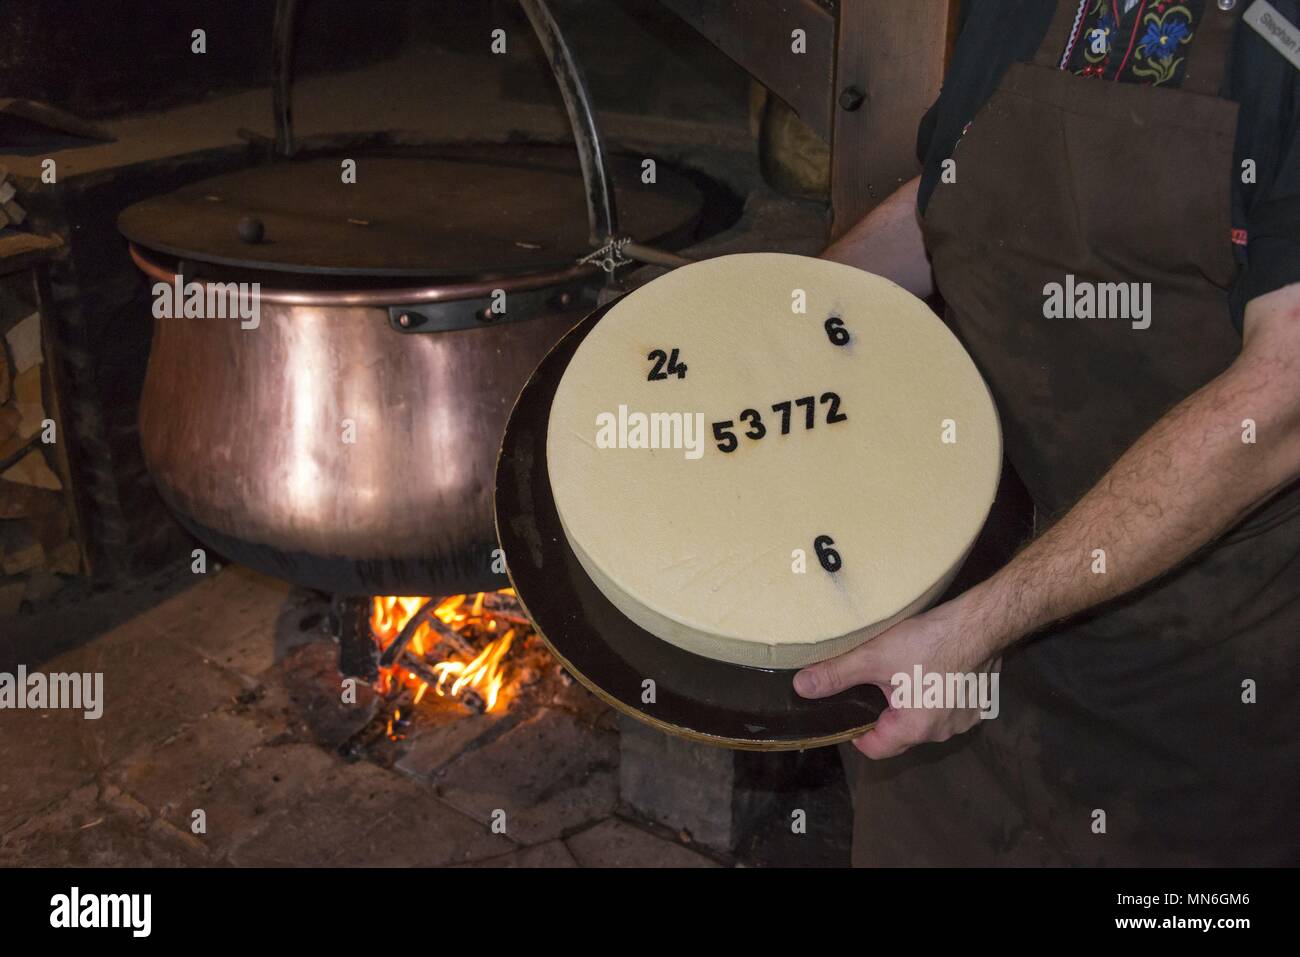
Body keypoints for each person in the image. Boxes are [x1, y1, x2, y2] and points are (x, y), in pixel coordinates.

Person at [797, 0, 1300, 865]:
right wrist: (781, 318)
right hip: (965, 618)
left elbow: (1283, 397)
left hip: (1197, 680)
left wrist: (981, 624)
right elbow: (948, 200)